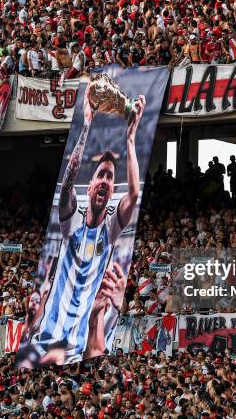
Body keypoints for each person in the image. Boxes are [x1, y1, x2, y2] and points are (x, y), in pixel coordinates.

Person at [24, 83, 146, 366]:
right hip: (46, 342)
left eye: (109, 178)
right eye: (100, 175)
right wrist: (87, 125)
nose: (105, 180)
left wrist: (130, 139)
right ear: (90, 186)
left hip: (79, 348)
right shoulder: (71, 221)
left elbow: (134, 194)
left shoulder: (112, 227)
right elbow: (67, 183)